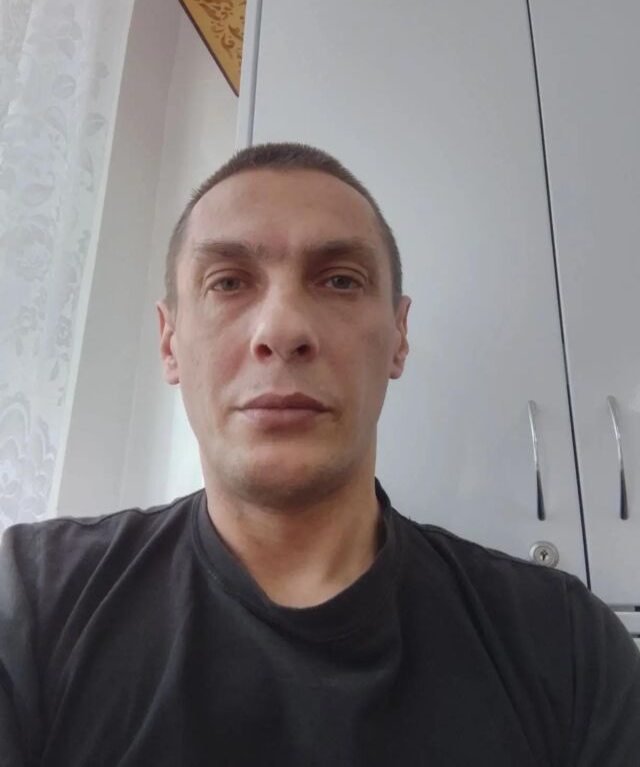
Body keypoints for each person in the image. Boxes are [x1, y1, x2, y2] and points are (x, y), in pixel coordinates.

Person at [1, 142, 639, 766]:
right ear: (170, 342)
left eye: (339, 280)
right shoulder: (34, 599)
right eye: (228, 282)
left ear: (399, 336)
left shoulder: (565, 641)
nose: (282, 330)